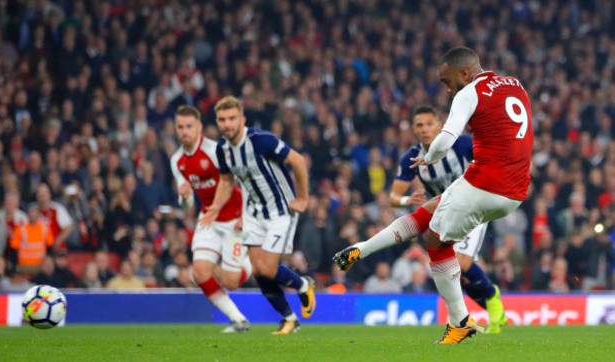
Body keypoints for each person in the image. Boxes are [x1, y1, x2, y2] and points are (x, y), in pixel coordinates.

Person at [335, 47, 533, 344]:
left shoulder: (468, 93)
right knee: (427, 212)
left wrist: (429, 157)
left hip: (486, 183)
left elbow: (446, 139)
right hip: (515, 188)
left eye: (447, 80)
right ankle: (360, 250)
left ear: (465, 73)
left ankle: (460, 322)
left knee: (434, 241)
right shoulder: (514, 84)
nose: (447, 88)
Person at [199, 96, 316, 334]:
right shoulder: (223, 149)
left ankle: (303, 284)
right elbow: (226, 181)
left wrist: (303, 198)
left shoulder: (261, 140)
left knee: (268, 269)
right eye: (222, 120)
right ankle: (290, 319)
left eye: (232, 119)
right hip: (253, 212)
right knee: (258, 270)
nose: (227, 124)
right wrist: (215, 206)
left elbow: (298, 161)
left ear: (241, 119)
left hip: (281, 210)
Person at [388, 104, 507, 333]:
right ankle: (490, 309)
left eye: (429, 124)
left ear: (439, 125)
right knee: (456, 275)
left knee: (461, 264)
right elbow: (393, 197)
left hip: (473, 208)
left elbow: (492, 157)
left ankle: (492, 298)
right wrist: (406, 200)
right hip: (444, 217)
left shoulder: (460, 144)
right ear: (413, 129)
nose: (425, 129)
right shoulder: (411, 158)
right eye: (419, 125)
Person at [170, 105, 252, 333]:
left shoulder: (216, 150)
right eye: (180, 127)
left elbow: (243, 181)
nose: (184, 131)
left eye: (189, 126)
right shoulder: (176, 160)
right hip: (208, 218)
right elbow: (186, 204)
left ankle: (250, 262)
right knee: (199, 273)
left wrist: (246, 215)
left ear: (199, 128)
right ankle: (238, 320)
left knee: (231, 283)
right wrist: (184, 196)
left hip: (234, 218)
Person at [9, 204, 54, 273]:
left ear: (38, 216)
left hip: (40, 265)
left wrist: (48, 263)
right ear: (27, 216)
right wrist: (16, 264)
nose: (33, 217)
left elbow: (50, 246)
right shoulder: (20, 228)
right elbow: (13, 248)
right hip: (24, 265)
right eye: (31, 215)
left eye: (35, 216)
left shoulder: (45, 228)